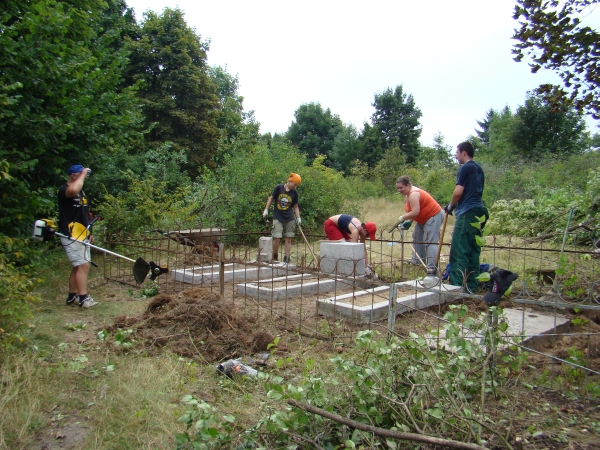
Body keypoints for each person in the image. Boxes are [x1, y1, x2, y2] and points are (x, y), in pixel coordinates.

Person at [444, 142, 489, 293]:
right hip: (479, 212)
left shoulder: (465, 167)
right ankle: (471, 286)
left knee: (459, 250)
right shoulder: (479, 169)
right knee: (473, 250)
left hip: (467, 213)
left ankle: (456, 288)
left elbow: (458, 192)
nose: (456, 156)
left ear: (464, 152)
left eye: (457, 153)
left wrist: (450, 206)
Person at [57, 164, 99, 307]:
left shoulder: (81, 193)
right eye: (82, 175)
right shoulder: (65, 190)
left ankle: (72, 297)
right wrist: (82, 174)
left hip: (82, 233)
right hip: (71, 234)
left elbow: (85, 214)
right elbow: (73, 190)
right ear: (74, 176)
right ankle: (83, 298)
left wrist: (89, 232)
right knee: (83, 265)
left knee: (78, 266)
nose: (85, 177)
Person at [395, 176, 444, 275]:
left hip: (433, 216)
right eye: (398, 188)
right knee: (417, 237)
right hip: (423, 219)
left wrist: (403, 217)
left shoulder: (414, 194)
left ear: (408, 185)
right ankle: (417, 261)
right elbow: (415, 210)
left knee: (430, 241)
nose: (399, 190)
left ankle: (432, 267)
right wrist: (410, 221)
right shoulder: (408, 195)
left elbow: (415, 212)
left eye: (401, 188)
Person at [263, 173, 302, 264]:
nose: (295, 186)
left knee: (288, 238)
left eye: (297, 185)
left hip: (289, 218)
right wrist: (266, 210)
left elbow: (295, 206)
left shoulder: (294, 193)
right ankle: (274, 257)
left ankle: (286, 259)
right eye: (294, 184)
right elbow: (271, 198)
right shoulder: (279, 188)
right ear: (290, 181)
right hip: (278, 217)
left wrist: (298, 218)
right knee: (277, 237)